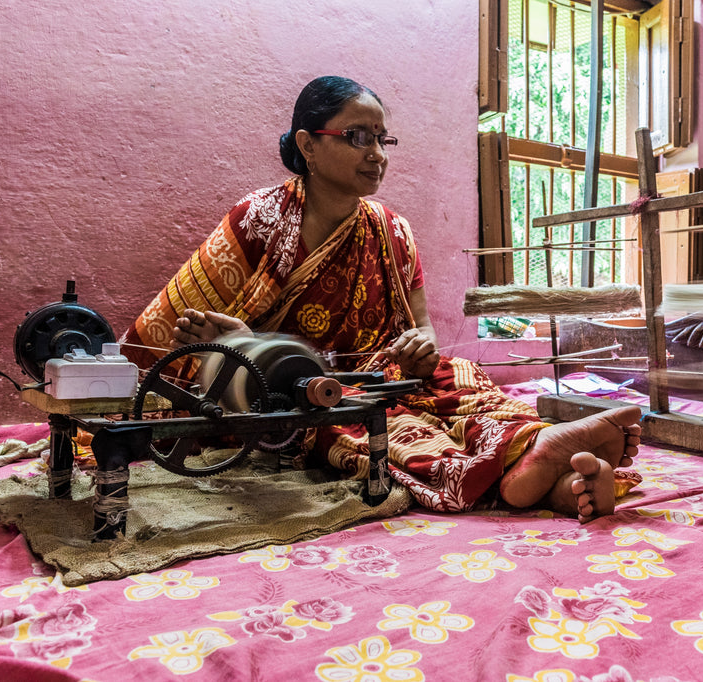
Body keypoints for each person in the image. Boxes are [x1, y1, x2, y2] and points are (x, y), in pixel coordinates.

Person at [121, 75, 641, 522]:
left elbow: (421, 332)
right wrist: (237, 347)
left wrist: (422, 347)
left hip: (382, 374)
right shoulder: (257, 221)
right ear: (307, 144)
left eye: (381, 139)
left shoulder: (392, 230)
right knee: (357, 419)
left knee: (456, 376)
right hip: (294, 394)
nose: (375, 153)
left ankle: (539, 462)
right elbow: (156, 349)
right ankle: (536, 469)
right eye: (356, 136)